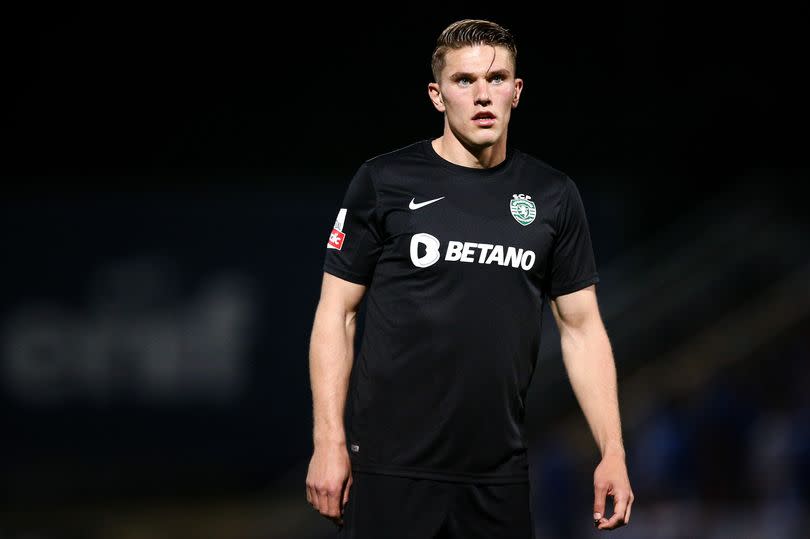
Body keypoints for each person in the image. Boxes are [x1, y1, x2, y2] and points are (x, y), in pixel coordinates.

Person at [306, 18, 633, 538]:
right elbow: (336, 313)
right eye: (464, 81)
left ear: (517, 91)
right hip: (392, 468)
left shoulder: (552, 196)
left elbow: (582, 328)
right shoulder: (384, 182)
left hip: (497, 474)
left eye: (497, 78)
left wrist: (612, 450)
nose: (483, 95)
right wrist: (328, 441)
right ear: (437, 96)